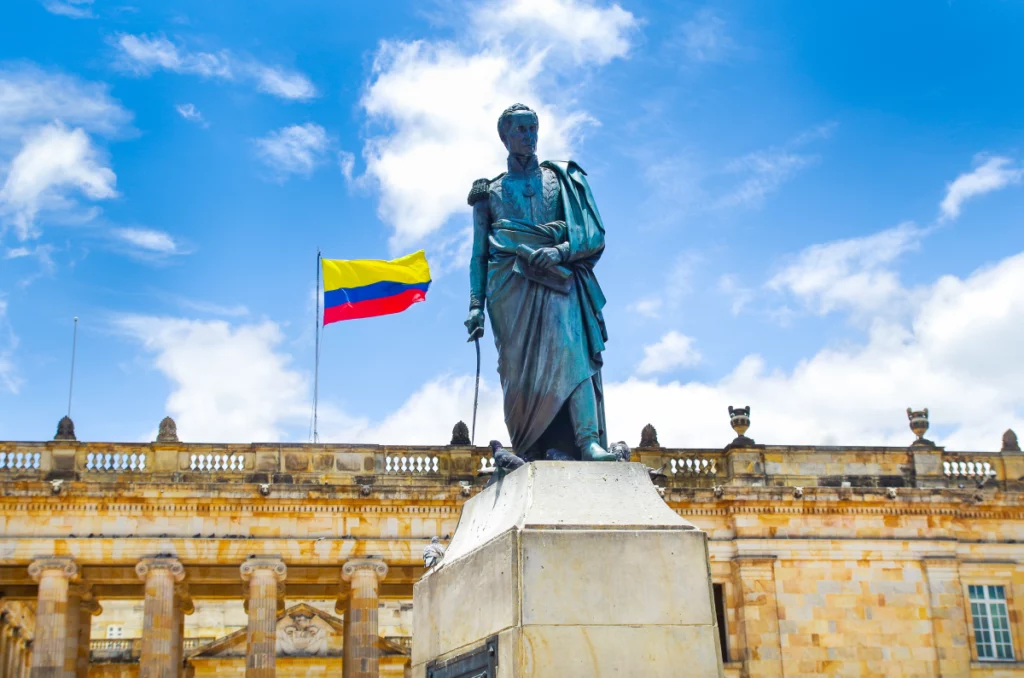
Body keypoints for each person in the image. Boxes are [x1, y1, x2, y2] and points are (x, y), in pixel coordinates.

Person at [465, 103, 616, 462]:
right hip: (509, 290)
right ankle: (530, 447)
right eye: (519, 130)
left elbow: (592, 234)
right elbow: (478, 255)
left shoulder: (562, 179)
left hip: (559, 280)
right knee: (516, 372)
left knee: (572, 350)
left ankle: (587, 441)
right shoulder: (488, 194)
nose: (528, 136)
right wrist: (475, 305)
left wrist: (561, 252)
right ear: (505, 137)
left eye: (532, 128)